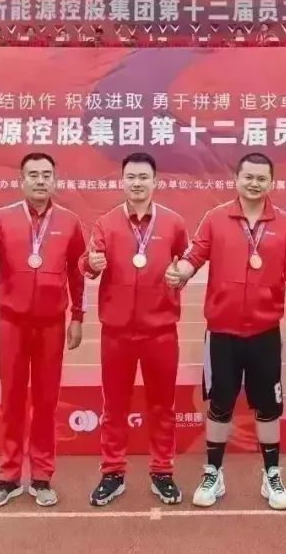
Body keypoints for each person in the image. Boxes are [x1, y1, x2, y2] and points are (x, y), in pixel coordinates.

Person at [166, 152, 286, 510]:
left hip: (265, 332)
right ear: (236, 179)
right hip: (222, 332)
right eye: (248, 177)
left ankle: (272, 475)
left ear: (271, 183)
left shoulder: (283, 223)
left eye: (261, 178)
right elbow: (195, 255)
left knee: (268, 408)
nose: (254, 183)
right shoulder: (215, 218)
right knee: (220, 405)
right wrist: (181, 272)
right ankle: (213, 472)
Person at [0, 152, 87, 508]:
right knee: (12, 400)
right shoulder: (1, 218)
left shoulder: (69, 222)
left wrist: (77, 316)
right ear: (21, 180)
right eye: (33, 174)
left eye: (46, 174)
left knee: (46, 401)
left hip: (51, 325)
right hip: (12, 324)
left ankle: (41, 476)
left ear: (55, 180)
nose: (40, 180)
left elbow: (77, 272)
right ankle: (9, 476)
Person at [80, 152, 189, 507]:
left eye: (144, 177)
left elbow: (185, 263)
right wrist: (91, 264)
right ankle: (113, 472)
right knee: (114, 406)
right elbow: (88, 264)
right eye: (131, 177)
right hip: (117, 332)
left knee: (163, 406)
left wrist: (179, 276)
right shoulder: (105, 223)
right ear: (122, 181)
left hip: (161, 330)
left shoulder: (173, 223)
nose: (137, 183)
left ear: (155, 181)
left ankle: (162, 471)